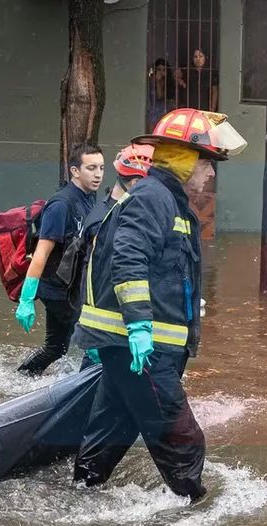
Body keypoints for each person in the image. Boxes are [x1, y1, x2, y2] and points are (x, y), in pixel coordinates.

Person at [72, 108, 246, 500]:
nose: (212, 173)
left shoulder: (166, 199)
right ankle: (196, 504)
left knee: (112, 428)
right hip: (140, 348)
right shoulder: (154, 197)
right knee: (179, 432)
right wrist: (139, 326)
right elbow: (128, 256)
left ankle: (82, 492)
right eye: (207, 162)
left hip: (132, 347)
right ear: (187, 159)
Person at [14, 143, 103, 376]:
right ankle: (93, 389)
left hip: (72, 286)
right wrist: (27, 298)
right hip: (57, 289)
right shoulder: (60, 205)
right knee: (93, 343)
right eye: (91, 168)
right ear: (75, 171)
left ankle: (23, 377)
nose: (98, 174)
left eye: (101, 168)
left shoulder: (89, 199)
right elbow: (41, 252)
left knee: (57, 348)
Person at [78, 144, 155, 370]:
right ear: (135, 183)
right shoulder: (107, 222)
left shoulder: (110, 211)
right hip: (105, 334)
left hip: (116, 329)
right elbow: (93, 279)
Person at [146, 58, 180, 132]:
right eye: (159, 69)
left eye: (164, 70)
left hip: (164, 112)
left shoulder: (168, 83)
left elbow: (159, 96)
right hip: (152, 111)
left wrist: (158, 82)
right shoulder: (150, 80)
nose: (161, 72)